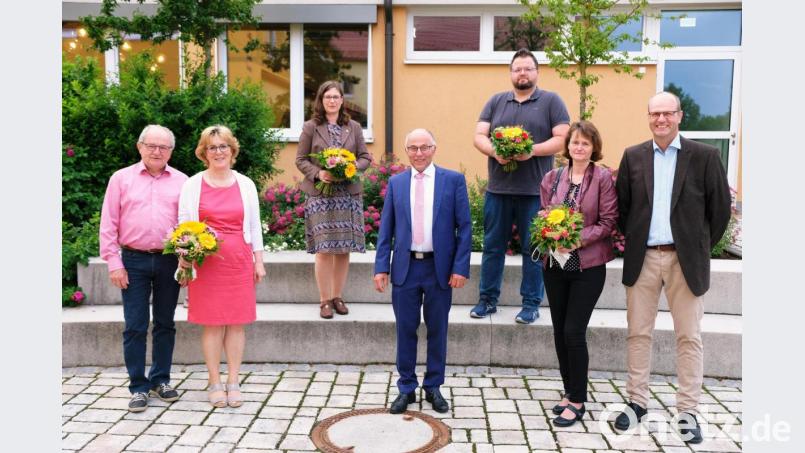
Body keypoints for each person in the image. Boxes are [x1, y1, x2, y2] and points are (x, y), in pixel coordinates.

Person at [614, 92, 731, 443]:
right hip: (644, 258)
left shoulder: (705, 156)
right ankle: (637, 402)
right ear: (648, 117)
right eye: (655, 114)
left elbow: (720, 211)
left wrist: (697, 248)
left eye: (667, 113)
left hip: (686, 261)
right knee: (638, 333)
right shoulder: (633, 156)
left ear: (679, 116)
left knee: (689, 336)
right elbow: (623, 208)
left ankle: (688, 410)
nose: (661, 119)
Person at [374, 129, 472, 414]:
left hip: (439, 269)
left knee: (437, 329)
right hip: (405, 269)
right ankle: (406, 387)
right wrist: (381, 267)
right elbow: (386, 229)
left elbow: (465, 227)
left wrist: (460, 267)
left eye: (424, 147)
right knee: (405, 329)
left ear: (434, 148)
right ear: (407, 151)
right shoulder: (396, 183)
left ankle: (433, 386)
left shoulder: (452, 180)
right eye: (413, 148)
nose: (419, 153)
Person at [471, 48, 570, 324]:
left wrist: (531, 150)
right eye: (517, 69)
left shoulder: (551, 101)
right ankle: (487, 300)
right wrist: (494, 151)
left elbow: (562, 138)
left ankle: (531, 304)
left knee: (534, 250)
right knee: (492, 248)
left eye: (528, 68)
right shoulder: (496, 101)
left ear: (537, 72)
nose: (522, 73)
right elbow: (479, 135)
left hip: (535, 192)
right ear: (511, 73)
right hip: (498, 190)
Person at [99, 124, 188, 412]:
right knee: (135, 326)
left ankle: (161, 380)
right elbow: (108, 224)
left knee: (165, 323)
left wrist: (187, 261)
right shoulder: (120, 179)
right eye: (151, 145)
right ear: (140, 147)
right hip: (133, 261)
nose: (157, 151)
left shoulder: (183, 181)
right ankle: (138, 386)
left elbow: (189, 225)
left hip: (169, 260)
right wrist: (114, 263)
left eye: (163, 147)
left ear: (171, 151)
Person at [178, 125, 266, 408]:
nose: (218, 152)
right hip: (206, 264)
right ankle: (215, 381)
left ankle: (234, 381)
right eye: (212, 147)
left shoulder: (246, 184)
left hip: (239, 261)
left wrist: (259, 261)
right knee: (213, 324)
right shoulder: (193, 185)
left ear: (232, 150)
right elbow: (184, 226)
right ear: (204, 153)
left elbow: (254, 226)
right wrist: (184, 261)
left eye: (223, 146)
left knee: (237, 324)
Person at [538, 121, 618, 427]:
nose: (579, 147)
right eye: (575, 142)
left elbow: (608, 222)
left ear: (593, 147)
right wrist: (549, 231)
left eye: (585, 143)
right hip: (555, 265)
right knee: (559, 331)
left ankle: (578, 400)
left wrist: (576, 239)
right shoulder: (552, 177)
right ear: (567, 146)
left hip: (588, 267)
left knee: (573, 331)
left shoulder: (603, 178)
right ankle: (569, 391)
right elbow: (543, 214)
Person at [296, 80, 373, 319]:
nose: (332, 101)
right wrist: (319, 173)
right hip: (321, 196)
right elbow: (300, 159)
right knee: (323, 250)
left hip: (347, 196)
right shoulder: (311, 127)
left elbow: (365, 157)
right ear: (321, 100)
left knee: (342, 250)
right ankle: (324, 300)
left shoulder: (354, 127)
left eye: (336, 97)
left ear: (342, 100)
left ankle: (338, 296)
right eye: (327, 97)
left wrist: (351, 167)